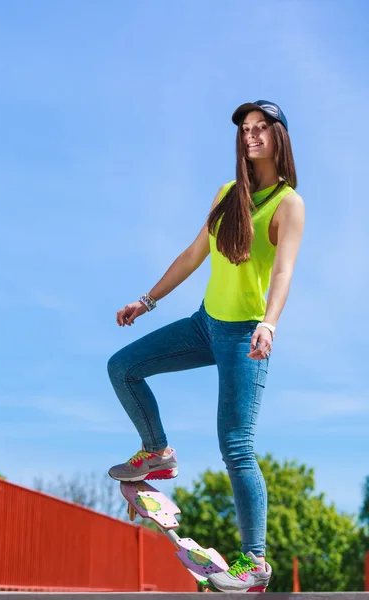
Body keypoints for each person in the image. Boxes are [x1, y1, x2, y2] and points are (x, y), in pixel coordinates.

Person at [107, 100, 305, 593]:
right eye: (245, 130)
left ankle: (254, 563)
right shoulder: (226, 193)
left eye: (261, 128)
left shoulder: (289, 204)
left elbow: (283, 271)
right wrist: (146, 300)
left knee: (236, 447)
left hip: (245, 336)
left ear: (279, 137)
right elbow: (194, 254)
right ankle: (157, 453)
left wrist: (270, 324)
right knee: (124, 366)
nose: (251, 136)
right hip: (203, 325)